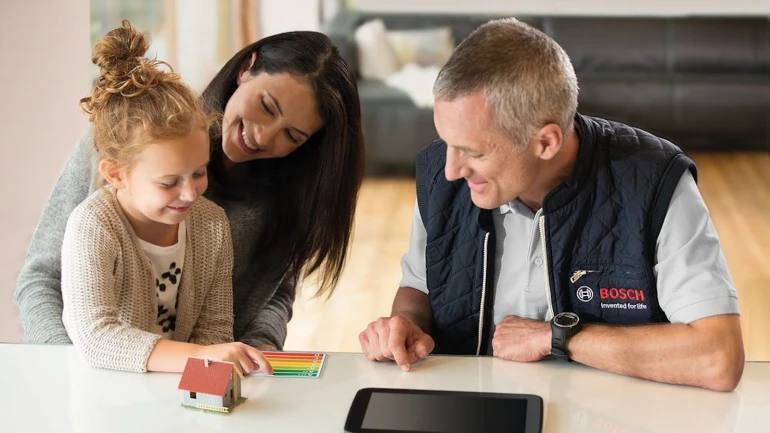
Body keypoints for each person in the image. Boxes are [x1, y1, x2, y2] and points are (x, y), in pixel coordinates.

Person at [359, 17, 744, 391]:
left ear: (546, 142)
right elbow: (419, 285)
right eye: (447, 142)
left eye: (471, 151)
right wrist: (405, 323)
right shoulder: (438, 176)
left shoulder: (657, 182)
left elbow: (718, 357)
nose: (451, 170)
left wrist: (560, 337)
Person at [16, 24, 364, 353]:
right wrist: (66, 368)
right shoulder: (129, 136)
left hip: (200, 384)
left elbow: (270, 295)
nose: (263, 136)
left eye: (292, 135)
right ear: (247, 68)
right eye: (266, 106)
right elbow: (42, 277)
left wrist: (256, 356)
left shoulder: (279, 199)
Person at [60, 21, 274, 374]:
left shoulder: (211, 224)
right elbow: (95, 336)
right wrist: (200, 359)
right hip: (108, 396)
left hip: (178, 390)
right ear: (116, 175)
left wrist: (203, 403)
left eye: (199, 172)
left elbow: (214, 331)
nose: (190, 193)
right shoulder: (93, 226)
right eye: (168, 182)